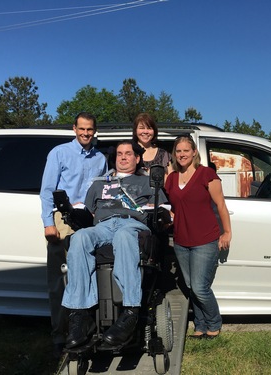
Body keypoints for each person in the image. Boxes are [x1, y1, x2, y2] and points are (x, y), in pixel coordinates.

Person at [62, 140, 168, 348]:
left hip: (132, 224)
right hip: (103, 225)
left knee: (124, 236)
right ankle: (80, 315)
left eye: (128, 153)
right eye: (120, 154)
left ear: (137, 158)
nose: (123, 157)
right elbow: (88, 212)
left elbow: (165, 210)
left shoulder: (147, 182)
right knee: (80, 237)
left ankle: (131, 311)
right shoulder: (99, 183)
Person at [40, 112, 108, 357]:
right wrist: (49, 223)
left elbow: (104, 191)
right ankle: (60, 335)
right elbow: (47, 190)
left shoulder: (101, 158)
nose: (85, 134)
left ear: (94, 130)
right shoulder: (59, 153)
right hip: (64, 219)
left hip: (89, 221)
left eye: (90, 130)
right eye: (81, 129)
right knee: (61, 279)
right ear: (74, 128)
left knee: (89, 275)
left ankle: (85, 330)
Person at [164, 136, 232, 339]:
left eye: (186, 150)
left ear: (194, 152)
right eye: (178, 151)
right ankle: (200, 325)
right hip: (181, 241)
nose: (182, 154)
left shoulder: (206, 174)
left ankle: (214, 322)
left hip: (205, 239)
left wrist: (227, 232)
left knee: (201, 288)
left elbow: (220, 205)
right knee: (191, 286)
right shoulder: (172, 178)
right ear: (174, 154)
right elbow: (173, 208)